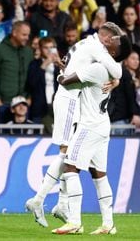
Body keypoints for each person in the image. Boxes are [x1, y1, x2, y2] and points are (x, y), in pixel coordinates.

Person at [25, 22, 129, 228]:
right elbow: (117, 70)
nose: (110, 44)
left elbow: (73, 64)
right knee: (67, 155)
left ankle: (55, 203)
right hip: (70, 100)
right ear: (106, 39)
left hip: (72, 100)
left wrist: (64, 73)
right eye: (112, 39)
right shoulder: (96, 50)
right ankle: (42, 200)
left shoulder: (84, 43)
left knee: (69, 156)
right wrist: (116, 80)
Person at [52, 56, 127, 235]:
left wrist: (60, 73)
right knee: (99, 175)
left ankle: (74, 222)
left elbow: (66, 82)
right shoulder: (108, 70)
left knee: (70, 167)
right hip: (102, 124)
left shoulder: (94, 70)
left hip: (89, 126)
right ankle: (108, 224)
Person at [0, 21, 34, 123]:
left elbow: (31, 76)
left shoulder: (28, 52)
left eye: (28, 35)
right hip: (4, 102)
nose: (27, 38)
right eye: (24, 35)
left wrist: (29, 97)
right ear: (14, 33)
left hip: (23, 103)